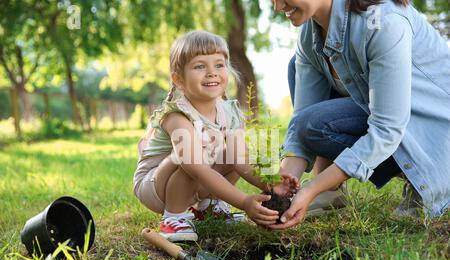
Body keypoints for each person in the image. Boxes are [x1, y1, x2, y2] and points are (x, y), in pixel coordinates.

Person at [267, 0, 450, 230]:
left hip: (435, 133)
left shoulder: (383, 22)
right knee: (297, 67)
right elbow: (301, 119)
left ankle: (425, 178)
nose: (277, 7)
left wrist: (312, 189)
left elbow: (387, 128)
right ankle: (331, 193)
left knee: (313, 123)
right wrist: (282, 187)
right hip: (386, 118)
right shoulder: (309, 34)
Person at [133, 31, 298, 241]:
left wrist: (269, 183)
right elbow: (196, 167)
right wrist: (244, 202)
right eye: (200, 66)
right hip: (155, 186)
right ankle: (173, 218)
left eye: (219, 65)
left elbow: (242, 160)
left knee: (234, 151)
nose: (212, 72)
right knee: (193, 156)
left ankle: (210, 208)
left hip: (194, 175)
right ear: (179, 79)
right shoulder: (177, 115)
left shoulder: (229, 112)